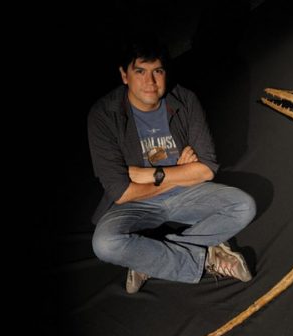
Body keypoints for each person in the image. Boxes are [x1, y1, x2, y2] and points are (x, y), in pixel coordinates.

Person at [88, 37, 256, 293]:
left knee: (244, 206)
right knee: (104, 244)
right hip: (136, 203)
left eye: (157, 71)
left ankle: (148, 258)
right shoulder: (103, 115)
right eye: (140, 71)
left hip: (187, 194)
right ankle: (207, 257)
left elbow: (207, 169)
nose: (150, 81)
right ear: (124, 75)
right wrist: (181, 173)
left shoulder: (185, 100)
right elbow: (121, 192)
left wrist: (148, 174)